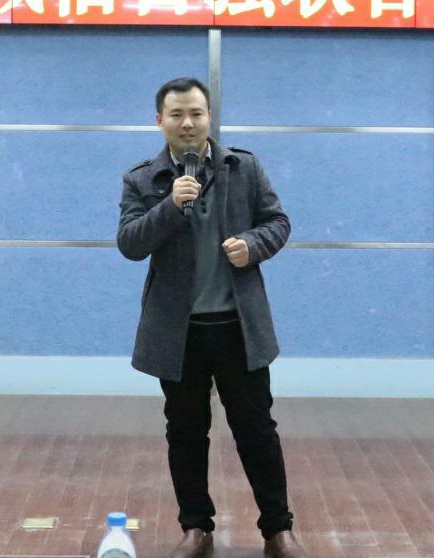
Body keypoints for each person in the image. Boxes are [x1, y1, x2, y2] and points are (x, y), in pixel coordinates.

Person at [117, 77, 306, 558]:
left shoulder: (243, 167)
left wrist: (253, 245)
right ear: (159, 120)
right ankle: (196, 528)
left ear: (209, 117)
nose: (187, 123)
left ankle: (278, 530)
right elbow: (130, 244)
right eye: (177, 114)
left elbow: (278, 222)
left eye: (196, 113)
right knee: (185, 432)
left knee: (256, 429)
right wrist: (170, 206)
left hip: (238, 326)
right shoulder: (142, 179)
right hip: (178, 332)